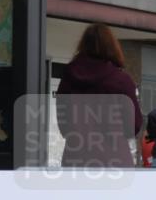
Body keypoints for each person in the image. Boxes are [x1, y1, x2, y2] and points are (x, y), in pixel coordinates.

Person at [56, 23, 142, 168]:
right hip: (114, 160)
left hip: (76, 159)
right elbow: (133, 126)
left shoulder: (68, 78)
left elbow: (64, 125)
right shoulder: (121, 80)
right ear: (112, 47)